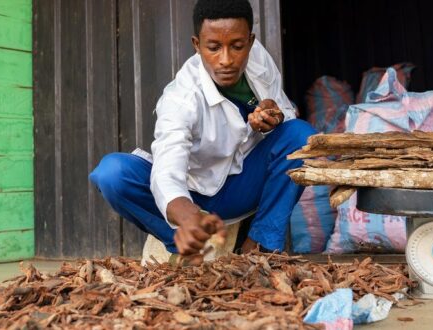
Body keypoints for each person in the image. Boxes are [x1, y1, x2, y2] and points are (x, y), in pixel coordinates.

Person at [89, 0, 316, 260]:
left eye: (237, 46)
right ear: (197, 45)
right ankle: (189, 245)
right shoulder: (182, 97)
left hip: (238, 188)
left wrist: (273, 115)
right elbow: (167, 171)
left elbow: (286, 115)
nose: (226, 59)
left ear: (250, 42)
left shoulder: (259, 61)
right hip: (194, 191)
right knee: (112, 174)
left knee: (301, 136)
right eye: (214, 47)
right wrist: (189, 216)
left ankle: (258, 245)